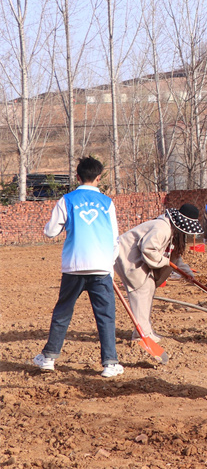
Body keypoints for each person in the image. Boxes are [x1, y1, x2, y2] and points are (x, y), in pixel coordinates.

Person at [32, 157, 123, 378]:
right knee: (105, 316)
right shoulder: (107, 203)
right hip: (101, 267)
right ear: (99, 178)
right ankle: (109, 363)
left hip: (73, 266)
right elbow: (115, 239)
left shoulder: (67, 200)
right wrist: (109, 265)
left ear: (77, 176)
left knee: (63, 312)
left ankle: (49, 358)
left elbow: (50, 231)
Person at [115, 203, 203, 342]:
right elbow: (148, 249)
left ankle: (146, 330)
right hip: (127, 255)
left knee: (148, 288)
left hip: (137, 256)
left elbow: (175, 257)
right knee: (141, 290)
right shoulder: (162, 228)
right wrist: (165, 262)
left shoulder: (172, 231)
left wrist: (187, 273)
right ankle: (140, 335)